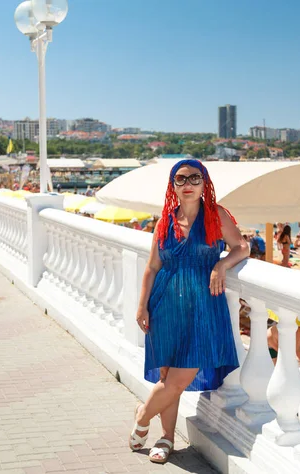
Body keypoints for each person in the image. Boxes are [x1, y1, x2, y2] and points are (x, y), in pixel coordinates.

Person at [131, 159, 249, 464]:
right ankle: (166, 438)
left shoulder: (216, 215)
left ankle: (143, 415)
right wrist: (142, 304)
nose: (188, 184)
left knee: (178, 379)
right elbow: (152, 266)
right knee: (169, 376)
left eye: (194, 178)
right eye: (181, 179)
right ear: (173, 186)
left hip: (203, 308)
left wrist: (221, 264)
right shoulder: (165, 221)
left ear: (204, 183)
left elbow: (241, 247)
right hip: (166, 304)